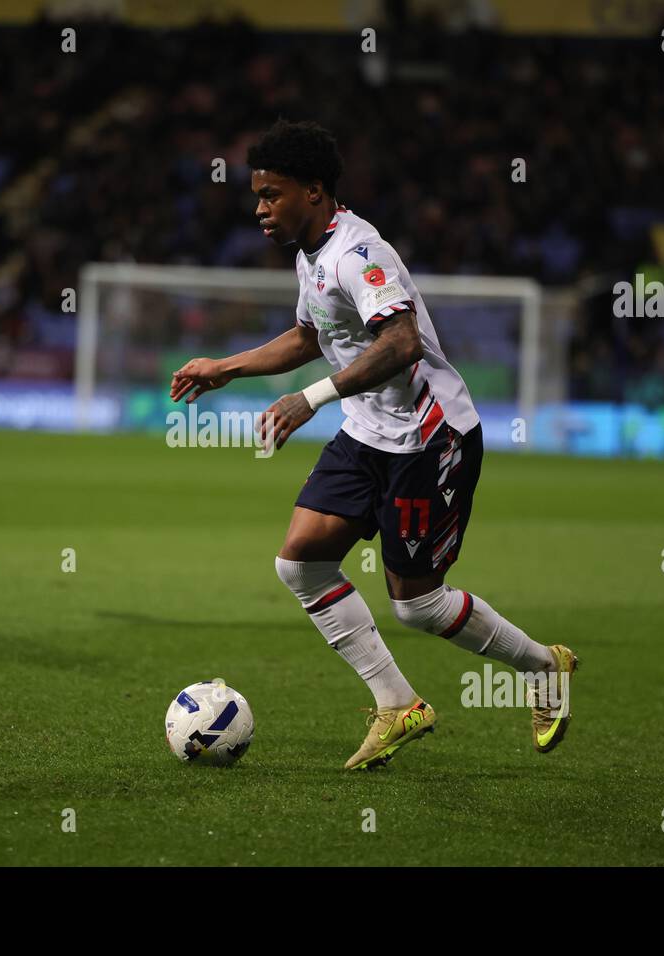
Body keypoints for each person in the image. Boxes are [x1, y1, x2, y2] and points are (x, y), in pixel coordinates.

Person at [171, 120, 578, 769]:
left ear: (313, 190)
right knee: (300, 563)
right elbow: (309, 336)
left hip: (430, 438)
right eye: (256, 196)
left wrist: (310, 399)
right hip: (367, 433)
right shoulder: (313, 253)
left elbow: (401, 343)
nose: (259, 210)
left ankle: (543, 665)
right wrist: (227, 367)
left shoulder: (361, 254)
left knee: (417, 605)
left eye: (271, 195)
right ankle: (399, 704)